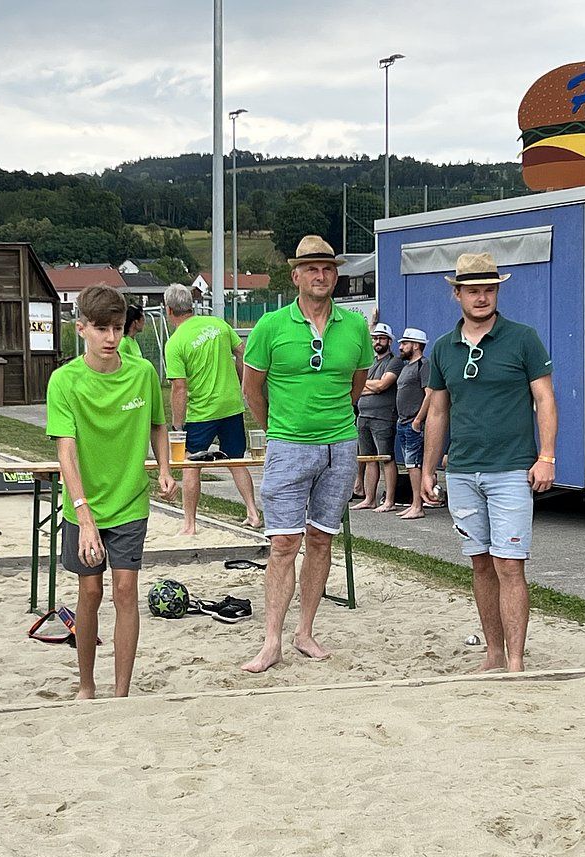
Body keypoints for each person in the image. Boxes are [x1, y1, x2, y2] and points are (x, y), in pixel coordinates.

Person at [241, 235, 373, 673]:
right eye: (312, 268)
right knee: (283, 542)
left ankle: (305, 631)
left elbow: (356, 385)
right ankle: (272, 640)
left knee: (321, 539)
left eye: (329, 268)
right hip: (288, 444)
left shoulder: (354, 326)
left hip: (340, 445)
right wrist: (278, 430)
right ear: (295, 275)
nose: (321, 275)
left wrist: (337, 424)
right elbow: (251, 390)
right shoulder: (270, 326)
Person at [422, 252, 557, 674]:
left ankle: (516, 661)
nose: (482, 297)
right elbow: (438, 413)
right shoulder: (443, 347)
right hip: (462, 470)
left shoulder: (523, 338)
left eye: (489, 289)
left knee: (509, 564)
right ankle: (493, 654)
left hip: (512, 468)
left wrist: (546, 456)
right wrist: (428, 470)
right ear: (457, 294)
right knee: (480, 562)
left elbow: (545, 400)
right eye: (473, 290)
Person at [47, 284, 177, 699]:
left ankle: (121, 692)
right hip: (83, 504)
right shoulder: (64, 381)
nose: (110, 338)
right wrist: (83, 515)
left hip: (130, 500)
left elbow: (159, 423)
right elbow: (65, 450)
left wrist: (165, 469)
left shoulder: (140, 373)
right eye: (100, 328)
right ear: (81, 328)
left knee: (125, 591)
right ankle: (86, 684)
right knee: (89, 590)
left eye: (117, 328)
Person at [163, 282, 262, 533]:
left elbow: (179, 388)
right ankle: (252, 512)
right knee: (236, 460)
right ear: (191, 306)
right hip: (230, 405)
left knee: (191, 464)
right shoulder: (218, 324)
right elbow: (243, 352)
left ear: (169, 310)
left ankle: (189, 524)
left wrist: (177, 425)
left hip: (202, 411)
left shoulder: (176, 343)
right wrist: (243, 382)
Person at [351, 321, 404, 512]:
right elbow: (354, 388)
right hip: (363, 416)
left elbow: (383, 385)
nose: (378, 341)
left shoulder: (394, 362)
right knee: (367, 458)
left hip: (383, 417)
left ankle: (389, 500)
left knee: (386, 458)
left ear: (389, 341)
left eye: (382, 338)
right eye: (375, 338)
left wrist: (366, 386)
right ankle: (369, 498)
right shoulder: (370, 362)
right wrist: (369, 386)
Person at [395, 327, 432, 520]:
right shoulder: (407, 366)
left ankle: (418, 506)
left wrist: (418, 420)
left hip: (413, 423)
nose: (400, 347)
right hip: (403, 422)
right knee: (410, 465)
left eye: (404, 343)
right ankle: (413, 503)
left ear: (416, 345)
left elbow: (430, 394)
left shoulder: (423, 365)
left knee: (414, 464)